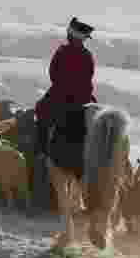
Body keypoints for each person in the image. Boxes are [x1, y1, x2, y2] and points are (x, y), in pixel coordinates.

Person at [30, 17, 97, 214]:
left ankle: (41, 150)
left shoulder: (62, 51)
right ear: (83, 39)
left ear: (69, 34)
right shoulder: (87, 55)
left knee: (41, 109)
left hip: (62, 94)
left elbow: (53, 74)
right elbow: (89, 76)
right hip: (84, 97)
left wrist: (64, 86)